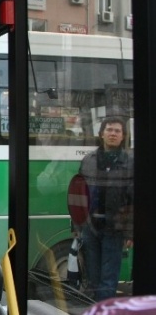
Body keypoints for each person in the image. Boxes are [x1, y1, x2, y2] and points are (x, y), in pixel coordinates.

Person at [75, 116, 134, 302]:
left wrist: (131, 231)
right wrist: (77, 226)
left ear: (123, 136)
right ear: (101, 134)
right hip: (90, 226)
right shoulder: (89, 160)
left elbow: (134, 198)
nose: (113, 134)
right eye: (109, 130)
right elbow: (79, 194)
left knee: (108, 279)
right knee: (92, 278)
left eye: (117, 131)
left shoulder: (131, 163)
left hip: (114, 228)